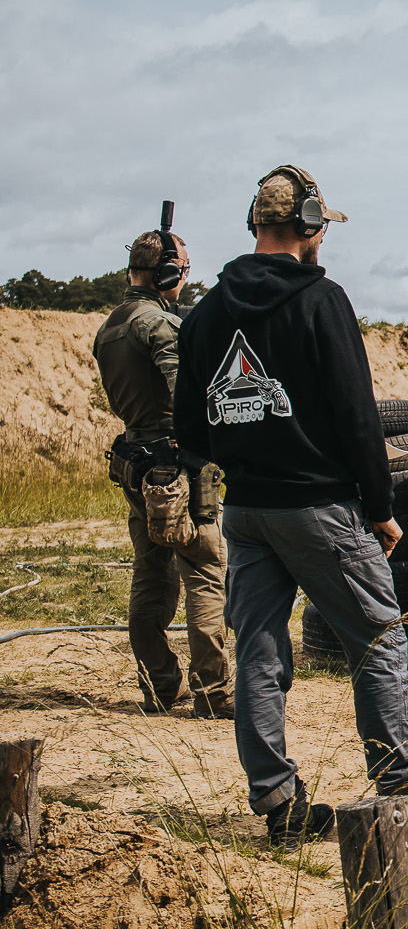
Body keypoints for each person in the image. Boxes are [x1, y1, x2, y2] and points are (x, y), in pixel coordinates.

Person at [173, 164, 408, 844]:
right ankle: (400, 783)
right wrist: (381, 504)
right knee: (380, 638)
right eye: (319, 230)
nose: (321, 243)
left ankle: (280, 804)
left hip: (245, 511)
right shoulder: (321, 298)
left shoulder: (206, 312)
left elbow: (189, 430)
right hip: (320, 508)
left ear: (256, 224)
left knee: (260, 654)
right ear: (307, 226)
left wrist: (247, 447)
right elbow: (356, 415)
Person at [91, 227, 229, 718]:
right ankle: (213, 692)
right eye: (184, 271)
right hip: (176, 465)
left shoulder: (109, 327)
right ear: (168, 273)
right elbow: (183, 394)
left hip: (135, 461)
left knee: (151, 575)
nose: (185, 279)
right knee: (206, 566)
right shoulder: (158, 325)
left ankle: (159, 684)